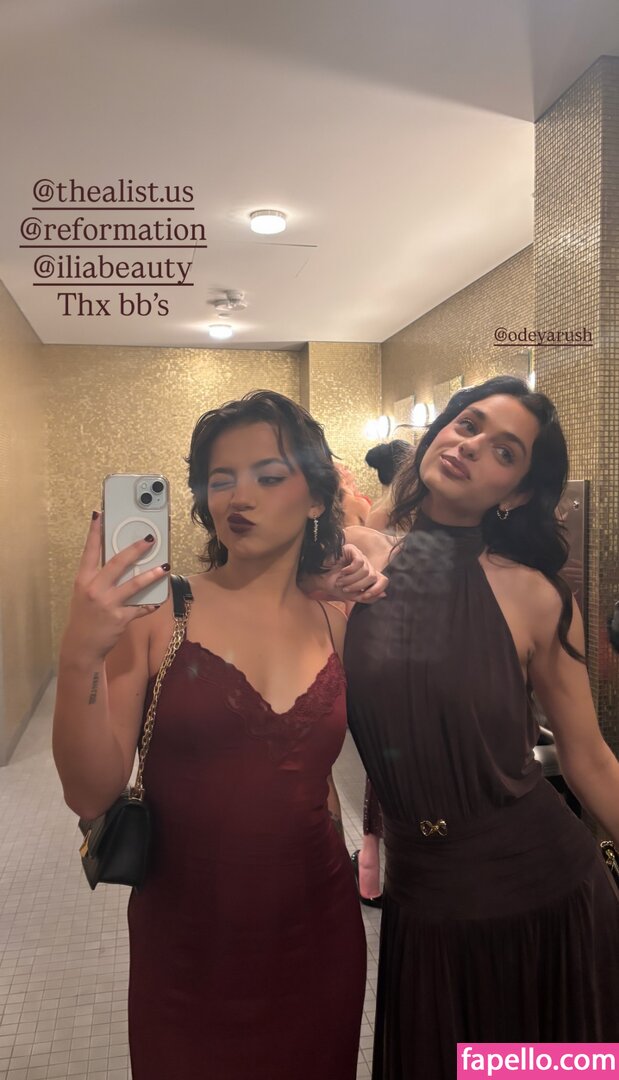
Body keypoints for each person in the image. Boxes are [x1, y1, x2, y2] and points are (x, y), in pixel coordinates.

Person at [52, 390, 386, 1080]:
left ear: (316, 497)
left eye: (269, 475)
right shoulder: (160, 612)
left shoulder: (336, 617)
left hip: (317, 929)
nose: (239, 495)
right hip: (187, 943)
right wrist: (81, 651)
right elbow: (90, 793)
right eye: (220, 478)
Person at [343, 376, 619, 1079]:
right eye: (467, 424)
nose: (470, 446)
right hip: (423, 896)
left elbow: (589, 759)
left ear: (517, 494)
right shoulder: (356, 564)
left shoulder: (536, 595)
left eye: (504, 451)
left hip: (542, 895)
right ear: (439, 430)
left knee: (533, 1067)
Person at [352, 440, 414, 905]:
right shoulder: (376, 521)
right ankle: (375, 877)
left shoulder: (379, 515)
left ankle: (373, 876)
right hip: (393, 653)